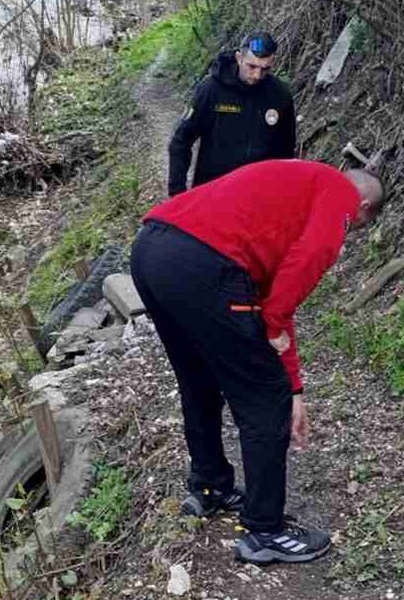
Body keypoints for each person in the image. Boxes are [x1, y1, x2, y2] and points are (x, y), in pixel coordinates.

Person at [130, 159, 384, 564]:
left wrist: (296, 388)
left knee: (199, 377)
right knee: (265, 399)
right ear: (365, 207)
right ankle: (265, 531)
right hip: (205, 264)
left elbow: (274, 311)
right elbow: (305, 266)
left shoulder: (296, 189)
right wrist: (283, 387)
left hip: (151, 249)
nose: (348, 232)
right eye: (355, 228)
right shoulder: (340, 196)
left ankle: (209, 486)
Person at [167, 32, 297, 196]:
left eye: (265, 69)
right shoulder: (211, 90)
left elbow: (286, 152)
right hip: (213, 192)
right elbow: (181, 141)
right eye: (252, 66)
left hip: (259, 196)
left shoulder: (280, 96)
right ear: (239, 58)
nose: (257, 75)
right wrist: (177, 193)